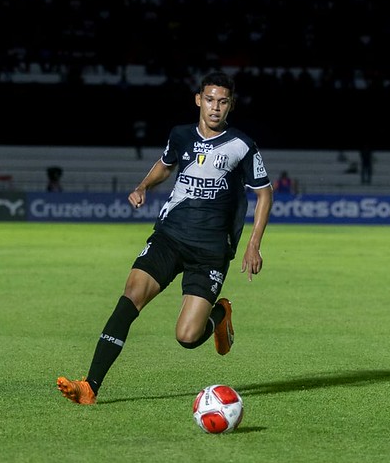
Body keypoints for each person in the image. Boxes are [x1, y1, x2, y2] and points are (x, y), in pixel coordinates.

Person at [56, 71, 274, 405]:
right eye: (210, 99)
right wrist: (143, 185)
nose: (216, 107)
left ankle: (219, 315)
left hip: (210, 251)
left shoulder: (241, 145)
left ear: (231, 105)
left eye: (223, 101)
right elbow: (164, 165)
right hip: (170, 237)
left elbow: (264, 193)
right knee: (131, 296)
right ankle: (90, 386)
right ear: (198, 99)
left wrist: (254, 243)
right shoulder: (181, 135)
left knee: (187, 337)